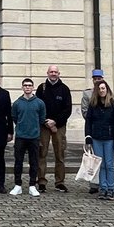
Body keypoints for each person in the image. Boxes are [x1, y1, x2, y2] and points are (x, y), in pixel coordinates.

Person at [37, 64, 72, 193]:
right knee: (42, 154)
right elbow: (38, 106)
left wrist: (55, 121)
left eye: (55, 72)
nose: (53, 74)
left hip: (59, 126)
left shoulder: (64, 89)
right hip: (44, 126)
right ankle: (41, 181)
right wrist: (46, 121)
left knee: (60, 154)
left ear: (59, 74)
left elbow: (67, 109)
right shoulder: (42, 88)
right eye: (51, 71)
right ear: (47, 73)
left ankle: (60, 182)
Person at [84, 79, 114, 199]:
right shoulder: (93, 105)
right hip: (96, 138)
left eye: (103, 88)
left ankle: (110, 188)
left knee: (109, 164)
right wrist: (88, 137)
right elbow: (88, 122)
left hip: (109, 138)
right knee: (100, 164)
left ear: (107, 90)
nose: (102, 91)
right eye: (99, 89)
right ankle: (102, 187)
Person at [10, 78, 46, 196]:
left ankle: (32, 185)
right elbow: (14, 118)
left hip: (34, 137)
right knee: (18, 162)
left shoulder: (39, 103)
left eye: (29, 85)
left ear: (33, 87)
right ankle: (18, 185)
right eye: (25, 85)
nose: (27, 87)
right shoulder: (17, 103)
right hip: (21, 136)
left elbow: (41, 119)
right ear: (22, 87)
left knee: (34, 162)